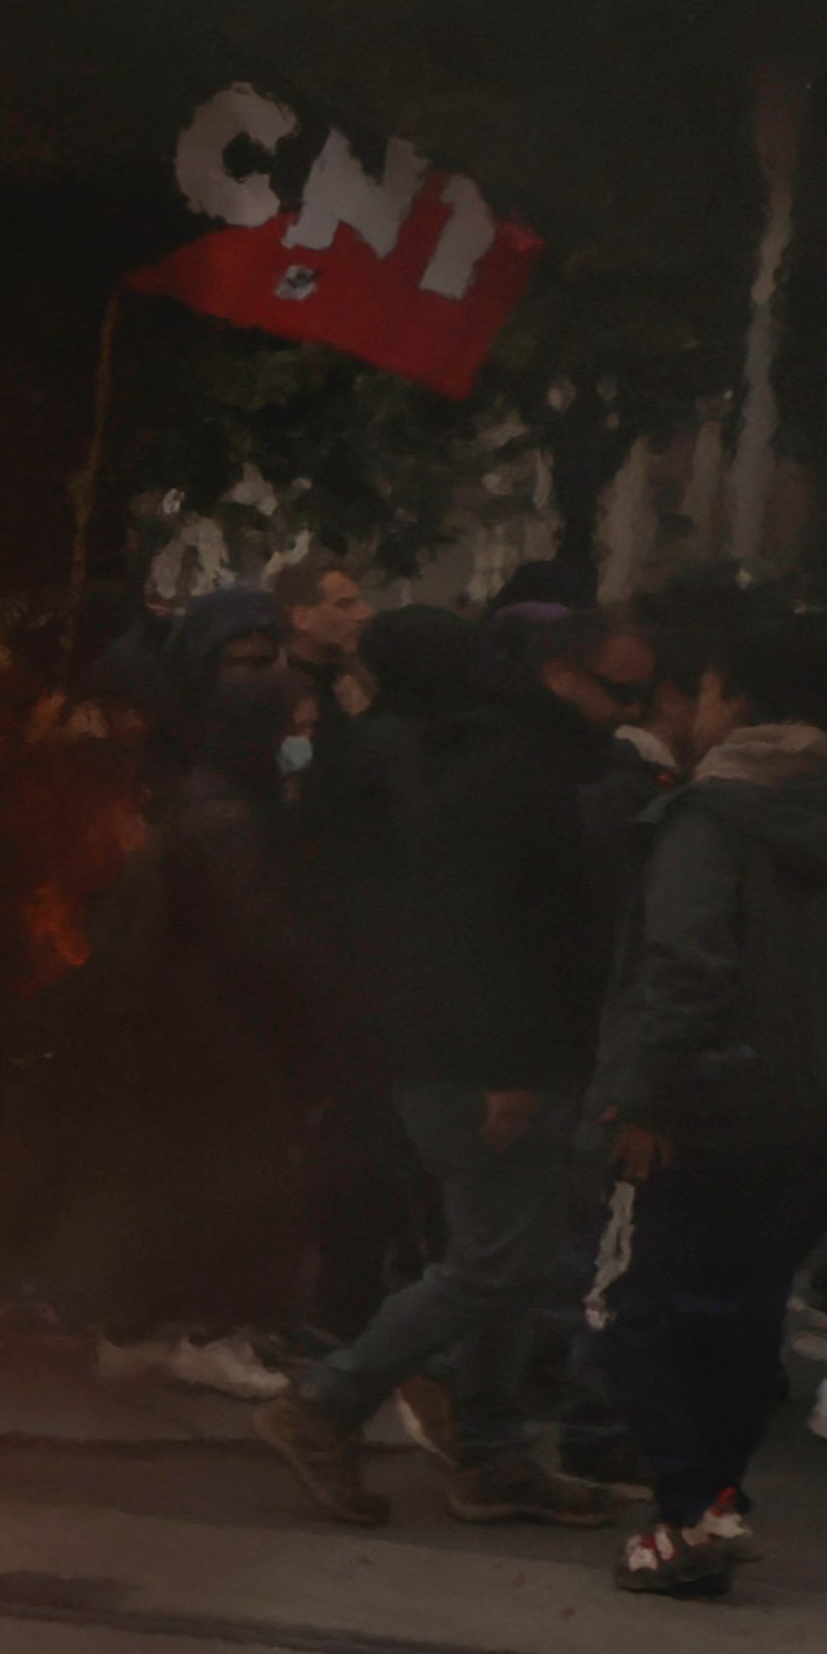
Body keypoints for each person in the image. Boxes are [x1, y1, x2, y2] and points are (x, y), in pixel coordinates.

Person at [254, 610, 635, 1527]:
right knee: (495, 1258)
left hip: (475, 1043)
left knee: (515, 1254)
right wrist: (502, 1063)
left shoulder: (447, 752)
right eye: (610, 689)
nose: (621, 711)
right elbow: (484, 926)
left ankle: (491, 1451)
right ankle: (327, 1402)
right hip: (483, 1052)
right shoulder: (484, 765)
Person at [585, 624, 827, 1596]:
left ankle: (686, 1508)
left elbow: (683, 967)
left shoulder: (705, 822)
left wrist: (639, 1094)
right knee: (742, 1314)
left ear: (736, 703)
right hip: (810, 1107)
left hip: (700, 1099)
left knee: (633, 1305)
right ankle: (713, 1495)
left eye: (706, 689)